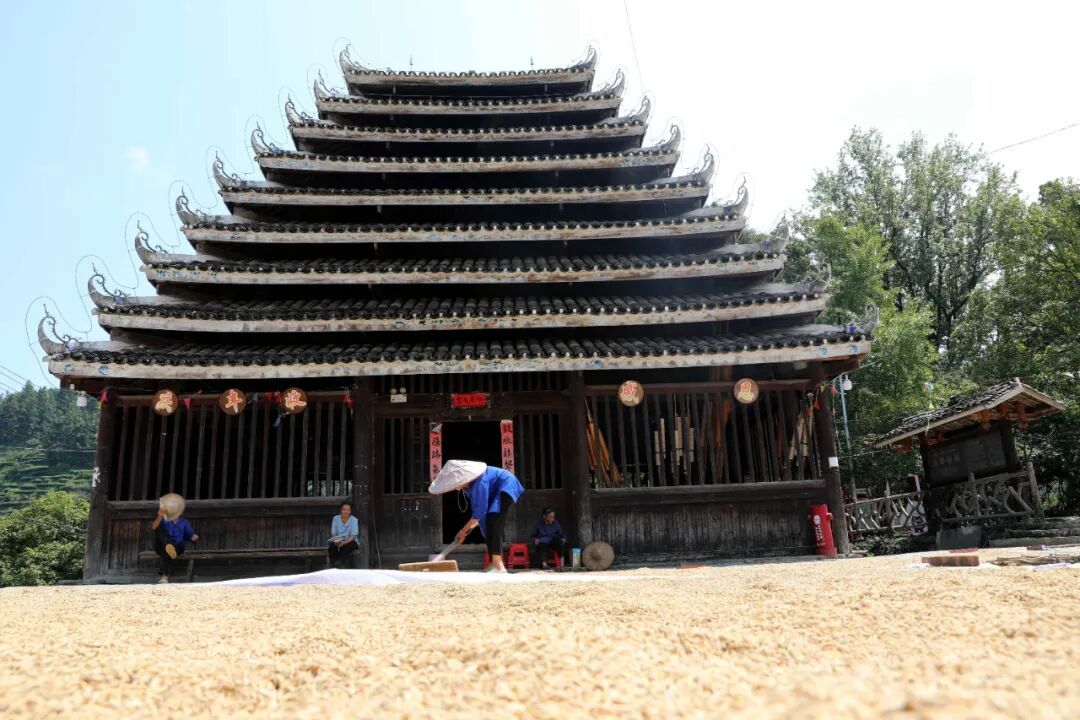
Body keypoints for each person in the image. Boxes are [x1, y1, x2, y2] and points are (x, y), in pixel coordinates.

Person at [429, 460, 525, 573]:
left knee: (494, 521)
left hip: (507, 486)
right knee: (489, 528)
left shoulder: (479, 482)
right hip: (494, 493)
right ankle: (493, 564)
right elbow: (479, 514)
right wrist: (481, 530)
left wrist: (463, 531)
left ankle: (499, 565)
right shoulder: (468, 487)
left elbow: (479, 512)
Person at [152, 501, 198, 583]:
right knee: (159, 529)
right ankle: (168, 545)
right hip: (162, 545)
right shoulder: (164, 520)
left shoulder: (184, 522)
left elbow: (191, 536)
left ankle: (164, 576)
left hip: (177, 546)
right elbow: (154, 527)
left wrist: (194, 537)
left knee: (167, 550)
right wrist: (159, 516)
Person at [328, 501, 360, 569]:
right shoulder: (335, 518)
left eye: (348, 510)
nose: (345, 511)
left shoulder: (354, 520)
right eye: (343, 509)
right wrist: (336, 541)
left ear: (350, 511)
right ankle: (334, 565)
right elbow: (333, 533)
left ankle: (340, 564)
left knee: (346, 547)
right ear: (341, 510)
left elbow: (353, 535)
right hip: (338, 540)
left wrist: (344, 543)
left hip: (350, 541)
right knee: (332, 546)